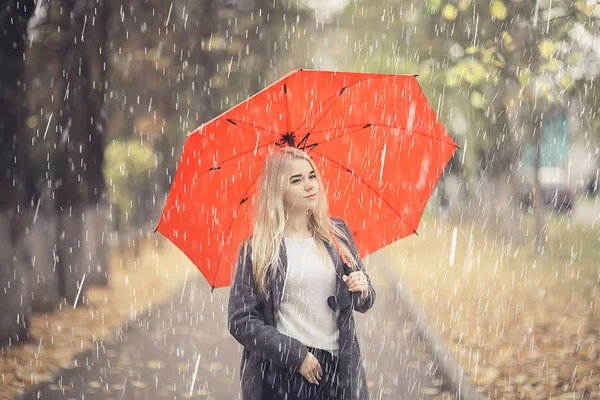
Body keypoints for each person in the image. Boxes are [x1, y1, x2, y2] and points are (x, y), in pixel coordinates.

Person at [227, 146, 376, 400]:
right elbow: (240, 320)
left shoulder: (336, 233)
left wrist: (362, 288)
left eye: (311, 176)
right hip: (284, 372)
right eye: (297, 180)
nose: (310, 185)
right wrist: (295, 355)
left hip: (338, 370)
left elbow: (365, 300)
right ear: (278, 190)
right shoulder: (258, 248)